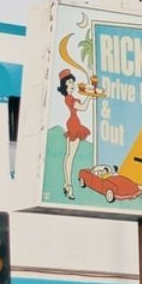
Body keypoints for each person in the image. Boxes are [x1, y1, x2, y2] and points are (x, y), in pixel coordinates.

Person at [58, 68, 91, 199]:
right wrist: (90, 95)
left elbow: (81, 106)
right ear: (65, 85)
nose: (72, 85)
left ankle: (67, 184)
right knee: (70, 156)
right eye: (70, 83)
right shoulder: (69, 99)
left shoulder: (70, 98)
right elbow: (82, 107)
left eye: (73, 82)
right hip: (74, 124)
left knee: (69, 155)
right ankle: (69, 185)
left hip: (73, 123)